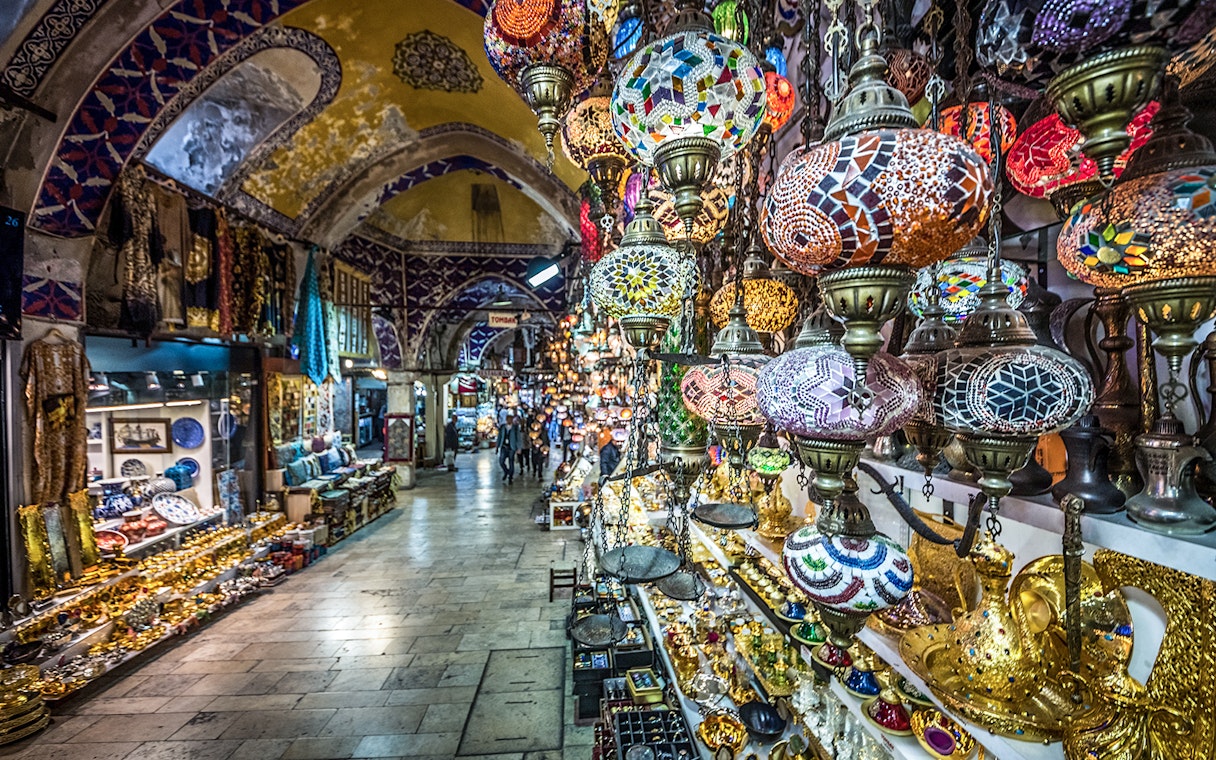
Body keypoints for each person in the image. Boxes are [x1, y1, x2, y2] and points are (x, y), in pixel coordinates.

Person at [496, 414, 522, 484]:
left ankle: (510, 477)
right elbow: (499, 437)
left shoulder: (515, 428)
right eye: (508, 419)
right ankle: (506, 472)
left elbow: (518, 438)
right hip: (504, 446)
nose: (509, 421)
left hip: (512, 447)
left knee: (511, 462)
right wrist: (497, 446)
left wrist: (519, 448)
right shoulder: (502, 427)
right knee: (501, 461)